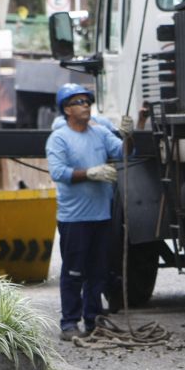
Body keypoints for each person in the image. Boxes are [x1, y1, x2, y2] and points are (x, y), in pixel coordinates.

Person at [45, 83, 130, 340]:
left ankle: (94, 322)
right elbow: (58, 172)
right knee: (73, 272)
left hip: (101, 215)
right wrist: (90, 173)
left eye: (87, 102)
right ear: (67, 109)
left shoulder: (100, 133)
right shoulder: (59, 139)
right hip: (75, 219)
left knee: (97, 272)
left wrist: (129, 135)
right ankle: (69, 323)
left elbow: (124, 152)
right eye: (79, 102)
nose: (86, 106)